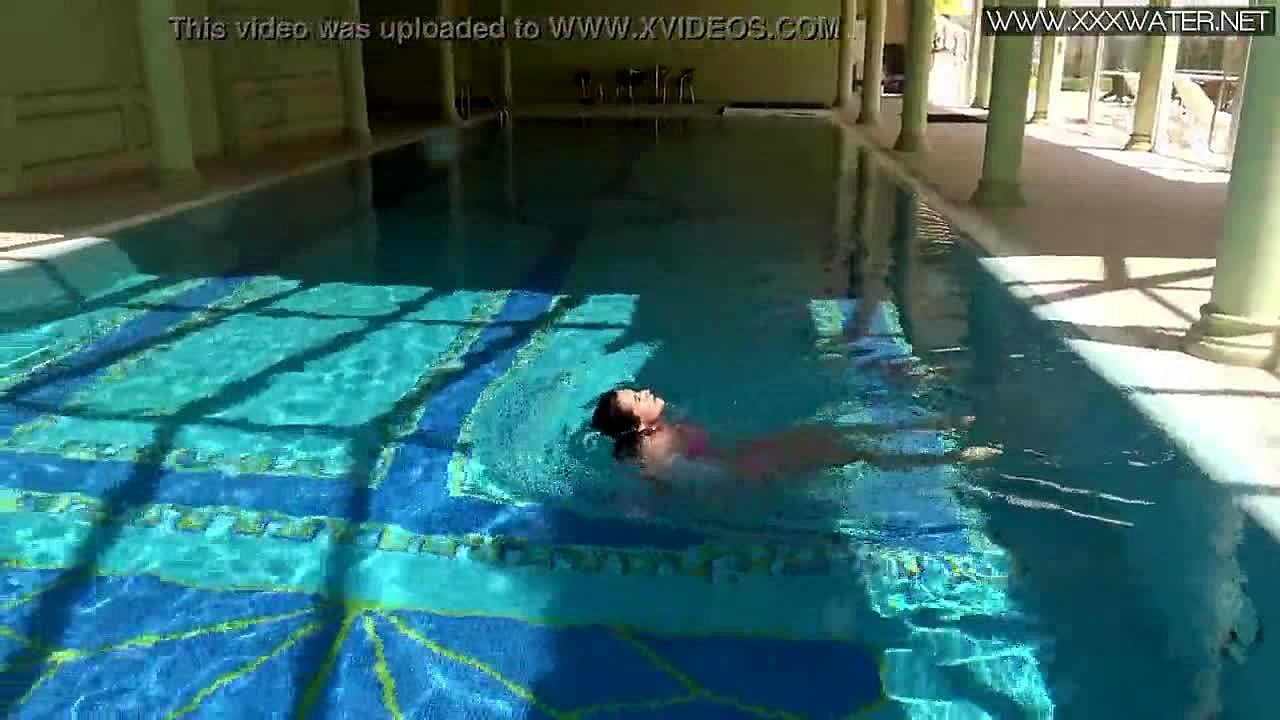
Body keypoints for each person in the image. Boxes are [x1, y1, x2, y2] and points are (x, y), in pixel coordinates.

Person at [589, 387, 999, 492]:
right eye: (637, 399)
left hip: (754, 451)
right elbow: (704, 480)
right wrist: (766, 472)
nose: (644, 392)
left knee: (839, 432)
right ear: (638, 425)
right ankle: (955, 458)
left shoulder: (660, 429)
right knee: (855, 453)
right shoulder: (655, 449)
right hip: (754, 468)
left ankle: (936, 424)